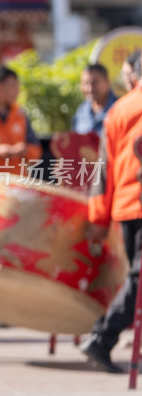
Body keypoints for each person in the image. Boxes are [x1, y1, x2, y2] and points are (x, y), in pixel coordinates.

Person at [81, 57, 142, 374]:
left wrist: (99, 219)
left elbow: (102, 172)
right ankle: (102, 338)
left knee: (138, 278)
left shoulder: (119, 110)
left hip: (127, 207)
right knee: (140, 280)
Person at [72, 63, 117, 135]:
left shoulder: (119, 108)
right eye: (85, 83)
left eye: (94, 83)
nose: (89, 89)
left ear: (107, 82)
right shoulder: (81, 112)